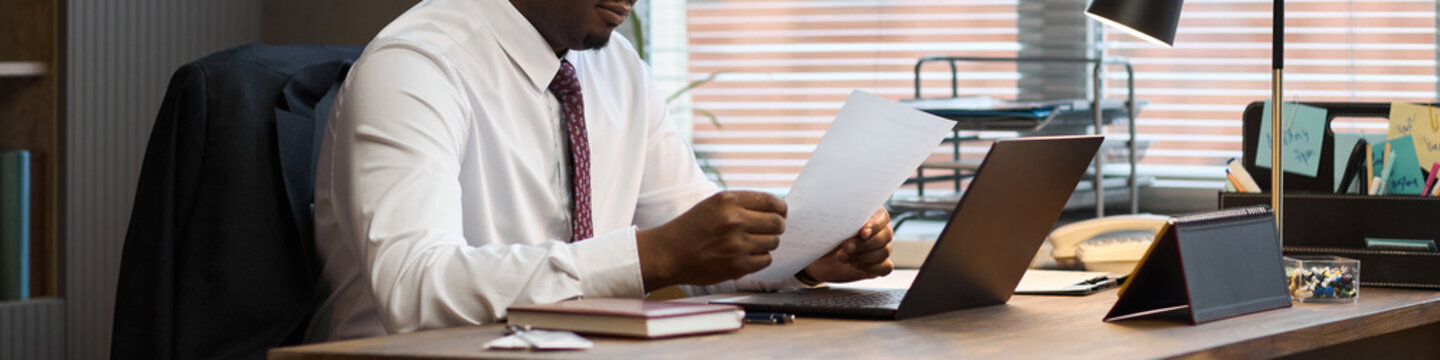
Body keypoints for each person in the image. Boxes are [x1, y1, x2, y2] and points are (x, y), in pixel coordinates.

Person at [307, 0, 895, 341]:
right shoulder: (418, 64)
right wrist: (650, 256)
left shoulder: (617, 69)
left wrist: (807, 259)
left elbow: (698, 243)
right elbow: (415, 287)